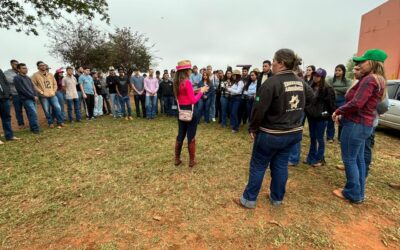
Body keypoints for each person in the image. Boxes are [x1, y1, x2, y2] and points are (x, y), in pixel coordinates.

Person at [237, 48, 314, 209]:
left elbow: (258, 109)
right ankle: (277, 198)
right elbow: (311, 98)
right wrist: (295, 114)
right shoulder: (301, 82)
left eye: (273, 61)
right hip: (292, 133)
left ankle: (248, 199)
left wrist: (253, 128)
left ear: (281, 63)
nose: (271, 64)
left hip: (271, 133)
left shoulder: (271, 83)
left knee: (258, 166)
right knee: (280, 165)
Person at [332, 49, 388, 204]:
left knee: (349, 159)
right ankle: (359, 192)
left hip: (356, 124)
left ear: (372, 63)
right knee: (358, 159)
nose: (359, 65)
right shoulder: (379, 79)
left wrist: (338, 110)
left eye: (362, 62)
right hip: (365, 124)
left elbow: (357, 103)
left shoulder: (369, 79)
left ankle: (352, 193)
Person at [173, 60, 208, 167]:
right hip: (191, 112)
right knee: (191, 136)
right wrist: (201, 92)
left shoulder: (177, 82)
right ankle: (192, 161)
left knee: (180, 135)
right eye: (189, 69)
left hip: (181, 112)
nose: (191, 71)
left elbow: (185, 94)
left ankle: (177, 159)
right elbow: (193, 100)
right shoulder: (187, 82)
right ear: (186, 71)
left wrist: (197, 90)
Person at [304, 68, 336, 167]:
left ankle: (319, 159)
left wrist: (325, 114)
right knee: (312, 137)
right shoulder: (310, 86)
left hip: (321, 118)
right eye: (314, 75)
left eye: (317, 76)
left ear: (322, 77)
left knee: (319, 138)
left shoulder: (328, 89)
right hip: (311, 116)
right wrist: (307, 110)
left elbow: (331, 105)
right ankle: (310, 158)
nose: (315, 77)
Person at [31, 61, 64, 128]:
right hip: (43, 96)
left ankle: (60, 121)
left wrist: (54, 91)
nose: (43, 66)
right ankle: (50, 122)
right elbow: (33, 85)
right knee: (46, 110)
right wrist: (41, 92)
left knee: (57, 107)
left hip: (52, 94)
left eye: (44, 65)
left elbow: (55, 84)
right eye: (41, 65)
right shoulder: (35, 75)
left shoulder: (50, 74)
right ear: (38, 67)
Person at [326, 64, 352, 142]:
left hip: (343, 101)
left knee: (341, 118)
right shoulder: (331, 79)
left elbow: (348, 89)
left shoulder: (348, 80)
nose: (337, 72)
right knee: (331, 118)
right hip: (332, 101)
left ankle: (340, 138)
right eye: (336, 70)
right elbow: (329, 88)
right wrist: (340, 89)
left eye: (339, 70)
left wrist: (336, 89)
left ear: (343, 72)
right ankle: (330, 137)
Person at [13, 63, 40, 134]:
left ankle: (33, 128)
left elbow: (33, 87)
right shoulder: (17, 78)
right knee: (33, 113)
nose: (26, 69)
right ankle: (36, 129)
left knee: (32, 114)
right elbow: (22, 90)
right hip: (26, 99)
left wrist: (35, 95)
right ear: (19, 69)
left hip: (33, 98)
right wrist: (32, 96)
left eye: (26, 68)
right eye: (23, 68)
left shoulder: (28, 78)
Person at [0, 67, 20, 144]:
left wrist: (8, 93)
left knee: (7, 117)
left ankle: (9, 136)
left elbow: (5, 81)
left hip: (4, 97)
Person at [4, 59, 25, 129]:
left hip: (24, 93)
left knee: (28, 108)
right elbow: (10, 80)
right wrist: (20, 79)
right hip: (15, 93)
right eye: (14, 64)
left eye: (17, 64)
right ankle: (21, 124)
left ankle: (32, 122)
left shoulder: (21, 71)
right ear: (11, 65)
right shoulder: (7, 72)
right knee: (18, 110)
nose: (16, 65)